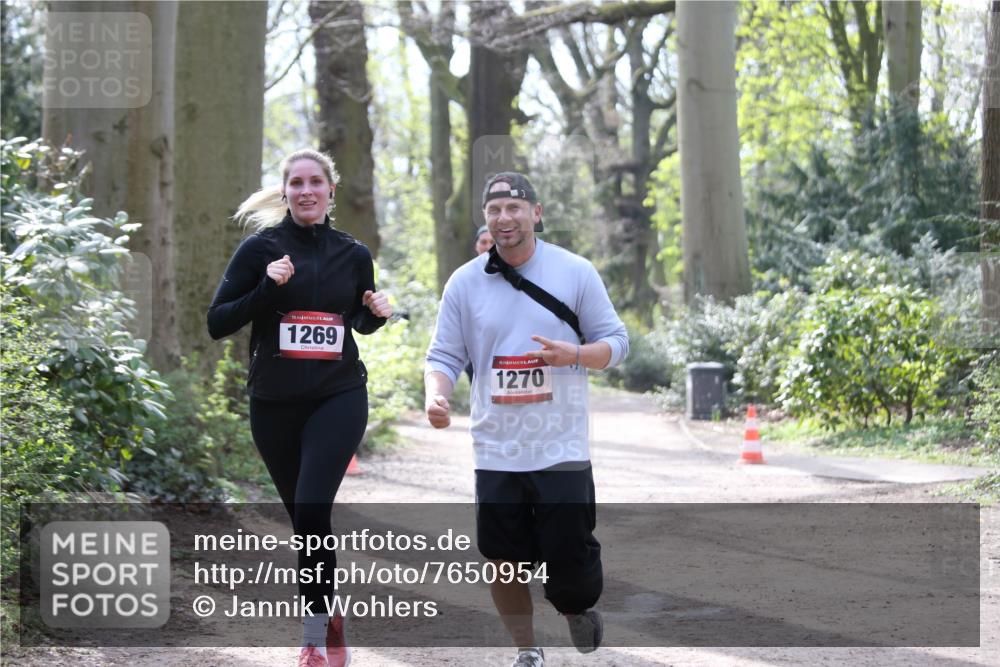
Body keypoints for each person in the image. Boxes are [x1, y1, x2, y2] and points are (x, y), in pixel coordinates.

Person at [424, 172, 628, 667]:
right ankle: (526, 649)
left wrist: (575, 354)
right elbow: (443, 356)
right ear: (486, 220)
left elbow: (618, 344)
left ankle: (577, 607)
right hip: (497, 446)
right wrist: (437, 396)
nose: (503, 217)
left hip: (560, 445)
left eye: (514, 207)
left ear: (536, 213)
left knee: (572, 568)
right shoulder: (465, 282)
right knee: (502, 558)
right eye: (493, 209)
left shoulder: (574, 271)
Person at [207, 148, 391, 667]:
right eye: (296, 183)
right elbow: (218, 322)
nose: (306, 191)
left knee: (312, 508)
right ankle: (329, 612)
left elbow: (356, 321)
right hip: (274, 402)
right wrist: (267, 288)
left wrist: (374, 313)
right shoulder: (259, 250)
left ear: (331, 190)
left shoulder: (353, 253)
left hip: (339, 394)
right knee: (305, 520)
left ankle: (313, 636)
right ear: (285, 192)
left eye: (315, 182)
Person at [464, 225, 495, 382]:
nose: (488, 246)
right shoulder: (465, 277)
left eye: (492, 242)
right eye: (483, 242)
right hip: (475, 348)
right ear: (476, 245)